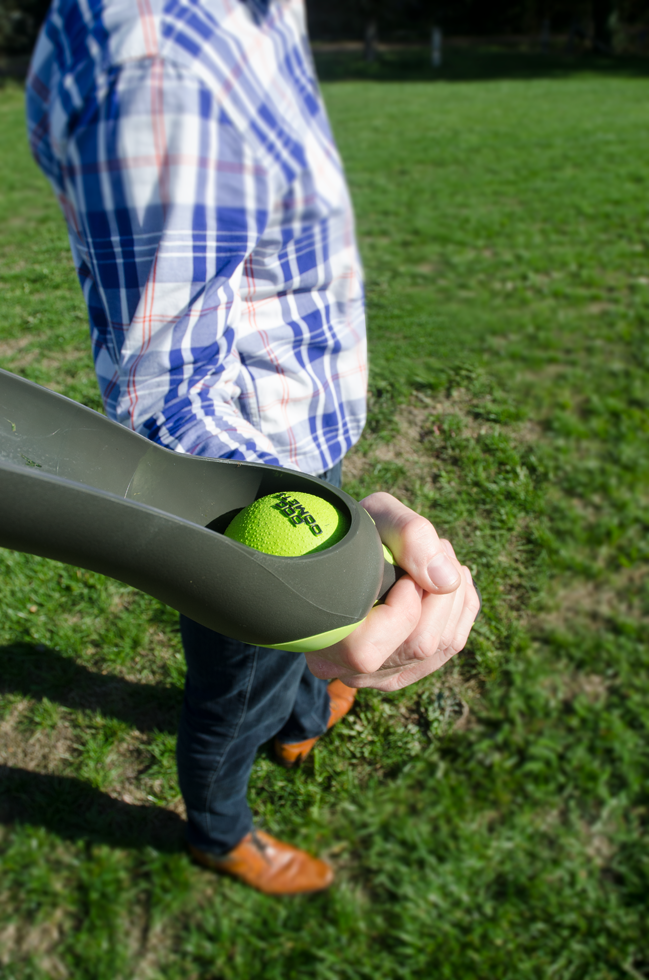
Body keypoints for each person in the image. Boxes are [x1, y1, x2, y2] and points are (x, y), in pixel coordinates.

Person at [26, 0, 480, 895]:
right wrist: (313, 560)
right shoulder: (162, 64)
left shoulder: (252, 14)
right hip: (252, 501)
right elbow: (167, 392)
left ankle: (303, 716)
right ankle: (220, 831)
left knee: (283, 673)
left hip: (304, 446)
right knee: (235, 693)